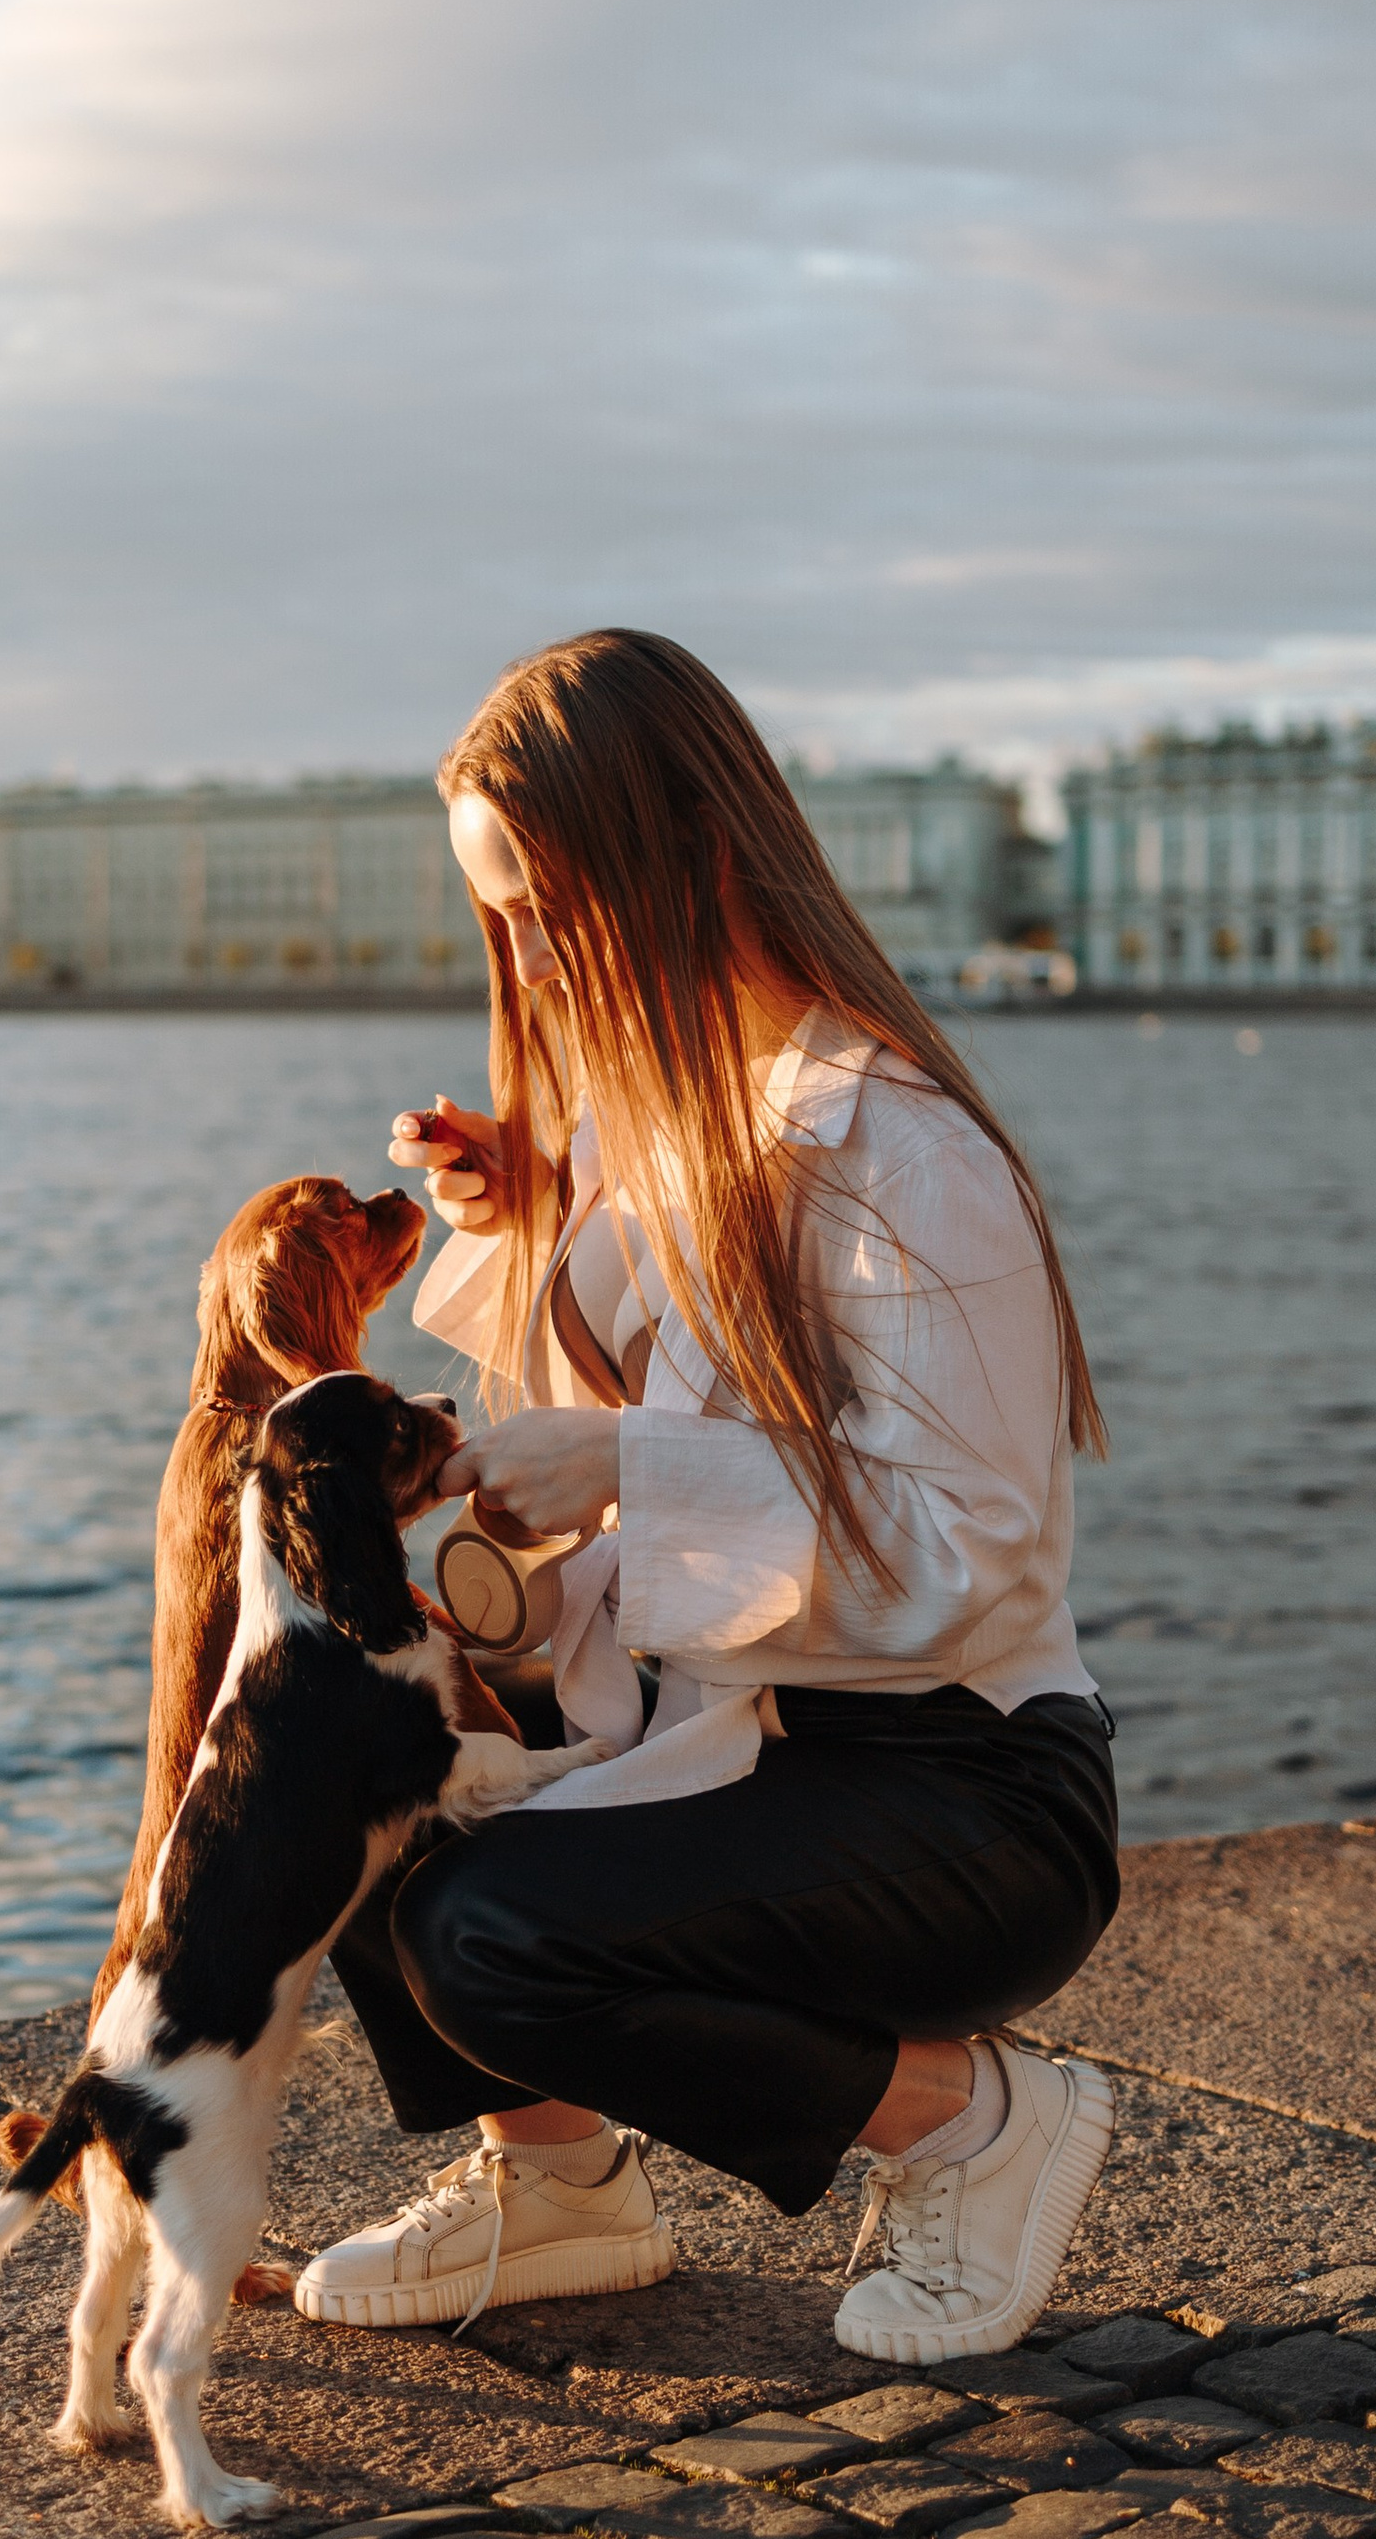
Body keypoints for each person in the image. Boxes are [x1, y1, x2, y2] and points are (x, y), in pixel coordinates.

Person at [291, 628, 1121, 2363]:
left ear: (677, 853)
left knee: (489, 1928)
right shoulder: (668, 1125)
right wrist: (524, 1222)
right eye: (492, 905)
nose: (513, 947)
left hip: (962, 1789)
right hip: (754, 1727)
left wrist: (621, 1466)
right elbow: (661, 1429)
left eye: (536, 896)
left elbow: (968, 1549)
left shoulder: (903, 1148)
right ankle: (565, 2189)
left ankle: (972, 2124)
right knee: (344, 1738)